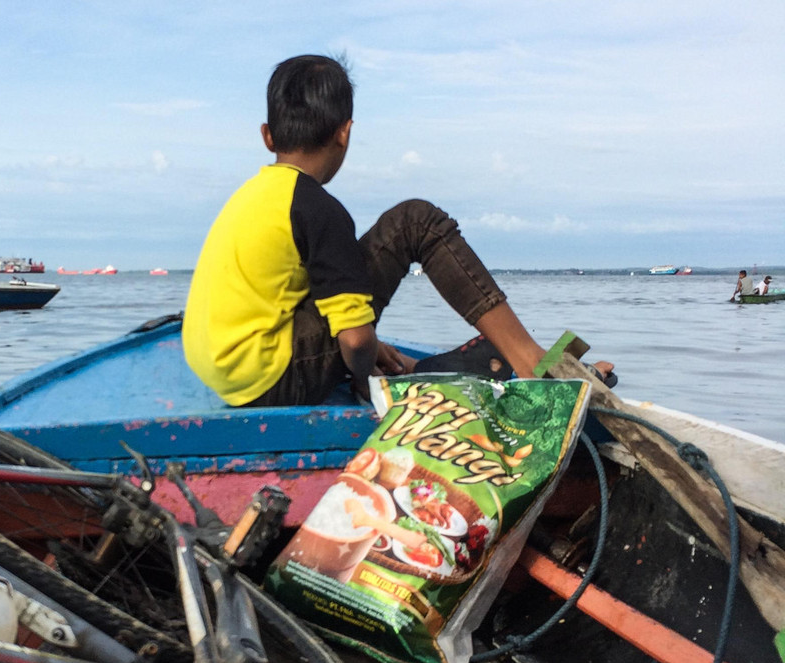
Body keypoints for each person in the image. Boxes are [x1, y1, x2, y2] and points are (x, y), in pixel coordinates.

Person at [182, 54, 613, 407]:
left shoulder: (251, 196)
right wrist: (362, 359)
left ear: (267, 136)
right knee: (415, 221)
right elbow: (353, 339)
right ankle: (528, 360)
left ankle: (432, 364)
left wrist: (362, 343)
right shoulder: (317, 208)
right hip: (272, 380)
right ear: (345, 133)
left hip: (229, 376)